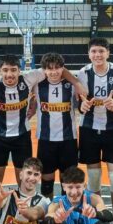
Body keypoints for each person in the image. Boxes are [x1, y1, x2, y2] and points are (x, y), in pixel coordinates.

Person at [0, 54, 84, 224]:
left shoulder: (29, 78)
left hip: (22, 137)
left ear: (20, 71)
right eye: (5, 70)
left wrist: (77, 83)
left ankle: (25, 221)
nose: (9, 74)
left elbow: (56, 68)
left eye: (13, 70)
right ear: (0, 71)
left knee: (25, 181)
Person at [76, 37, 113, 224]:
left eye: (101, 51)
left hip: (112, 129)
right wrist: (83, 106)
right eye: (94, 51)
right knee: (94, 177)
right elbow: (79, 104)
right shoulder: (83, 73)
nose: (97, 55)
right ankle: (97, 222)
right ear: (89, 54)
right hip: (89, 129)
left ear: (108, 53)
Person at [33, 52, 80, 199]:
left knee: (68, 180)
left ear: (63, 68)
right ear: (44, 70)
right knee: (46, 180)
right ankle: (49, 209)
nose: (54, 72)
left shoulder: (72, 85)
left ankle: (67, 209)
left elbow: (83, 95)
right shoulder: (37, 85)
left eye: (57, 68)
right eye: (49, 68)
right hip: (46, 140)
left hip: (68, 140)